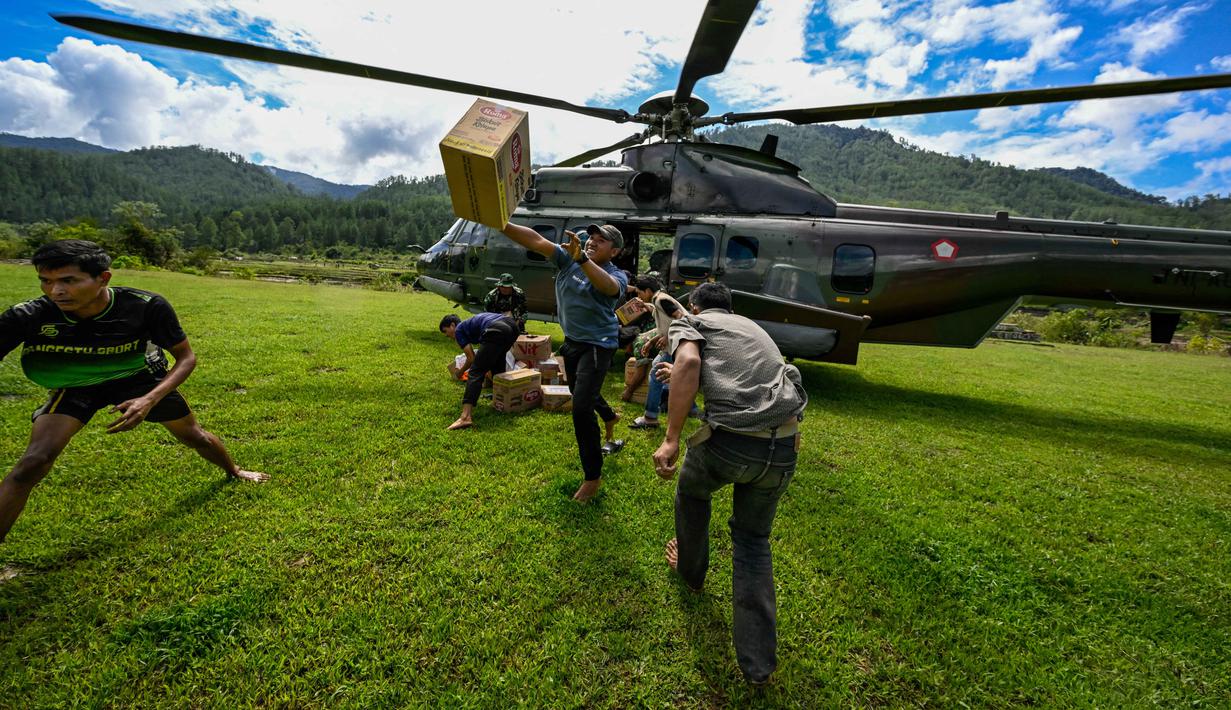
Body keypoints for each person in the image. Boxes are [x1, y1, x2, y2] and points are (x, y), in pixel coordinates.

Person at [0, 240, 268, 544]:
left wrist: (149, 399)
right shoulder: (28, 316)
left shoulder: (145, 306)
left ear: (103, 278)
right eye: (46, 281)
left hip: (137, 379)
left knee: (194, 436)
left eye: (68, 281)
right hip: (78, 385)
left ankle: (234, 470)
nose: (56, 291)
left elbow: (186, 358)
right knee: (33, 462)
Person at [651, 282, 808, 686]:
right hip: (783, 447)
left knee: (692, 492)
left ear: (694, 307)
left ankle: (690, 571)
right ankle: (758, 667)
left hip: (731, 445)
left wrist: (670, 438)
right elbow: (735, 375)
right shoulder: (751, 328)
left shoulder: (693, 323)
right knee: (753, 542)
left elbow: (688, 363)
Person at [499, 222, 626, 502]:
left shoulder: (616, 274)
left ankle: (592, 478)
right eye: (591, 237)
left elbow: (608, 287)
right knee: (582, 393)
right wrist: (501, 224)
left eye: (601, 241)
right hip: (572, 343)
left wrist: (581, 258)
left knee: (580, 408)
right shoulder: (568, 259)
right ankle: (610, 415)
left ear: (614, 251)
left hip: (598, 345)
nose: (592, 241)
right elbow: (536, 240)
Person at [439, 311, 519, 430]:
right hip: (512, 328)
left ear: (452, 325)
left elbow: (471, 359)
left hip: (496, 329)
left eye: (446, 332)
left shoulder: (459, 330)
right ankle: (504, 400)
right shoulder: (469, 324)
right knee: (498, 368)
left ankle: (465, 416)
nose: (447, 336)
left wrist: (459, 373)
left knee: (475, 372)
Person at [627, 275, 686, 429]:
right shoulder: (657, 300)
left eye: (640, 293)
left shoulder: (661, 300)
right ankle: (690, 408)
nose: (639, 297)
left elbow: (681, 318)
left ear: (647, 291)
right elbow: (666, 324)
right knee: (658, 367)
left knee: (656, 374)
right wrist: (651, 341)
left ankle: (650, 417)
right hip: (673, 344)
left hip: (676, 344)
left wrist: (667, 336)